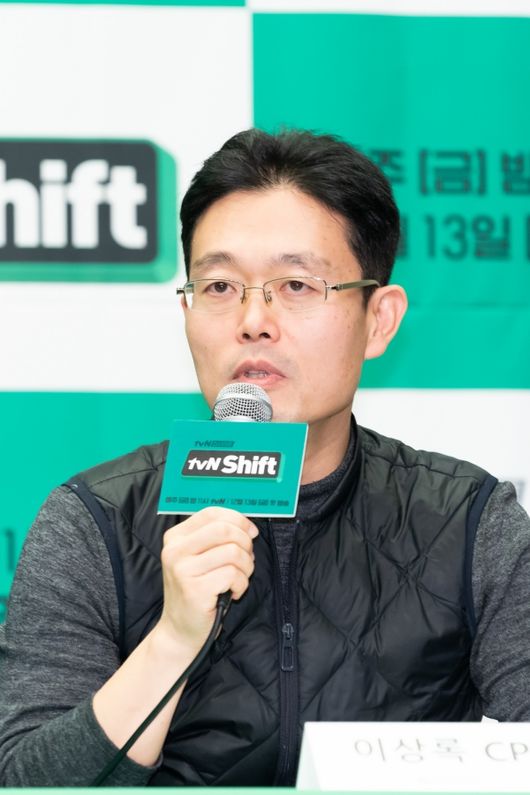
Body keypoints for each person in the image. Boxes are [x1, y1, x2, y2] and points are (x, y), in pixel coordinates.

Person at [1, 128, 529, 787]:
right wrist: (172, 641)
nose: (253, 320)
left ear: (379, 320)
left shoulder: (469, 522)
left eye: (298, 285)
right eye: (220, 286)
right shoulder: (95, 522)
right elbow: (26, 783)